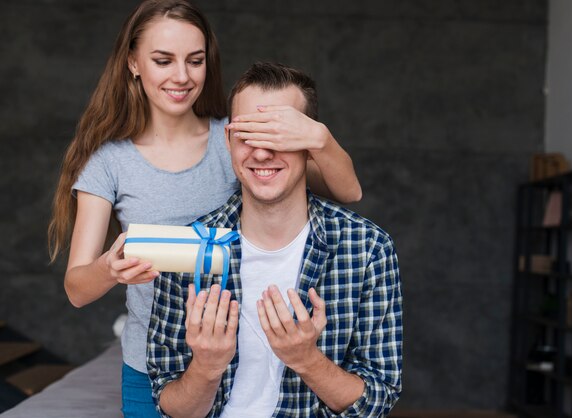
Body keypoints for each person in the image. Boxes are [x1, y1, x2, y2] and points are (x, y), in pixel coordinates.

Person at [47, 1, 361, 416]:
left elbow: (348, 191)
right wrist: (110, 268)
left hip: (241, 359)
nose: (182, 76)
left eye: (195, 61)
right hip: (152, 367)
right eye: (163, 60)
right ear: (133, 63)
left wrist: (318, 137)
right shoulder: (109, 163)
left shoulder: (236, 138)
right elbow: (76, 289)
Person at [148, 62, 402, 417]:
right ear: (228, 141)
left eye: (279, 137)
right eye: (249, 135)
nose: (262, 153)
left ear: (310, 146)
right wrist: (206, 366)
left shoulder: (366, 248)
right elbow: (170, 408)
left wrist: (307, 360)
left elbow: (378, 399)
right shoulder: (187, 249)